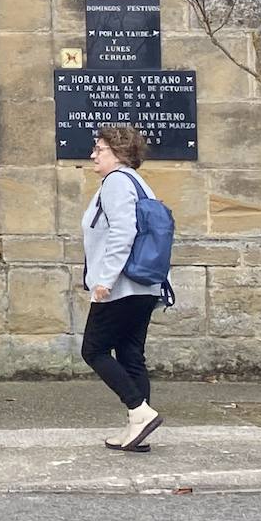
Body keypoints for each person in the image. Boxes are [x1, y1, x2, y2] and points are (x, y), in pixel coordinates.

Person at [81, 124, 165, 453]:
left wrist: (105, 280)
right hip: (144, 285)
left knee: (94, 350)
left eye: (99, 149)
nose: (93, 155)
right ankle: (137, 430)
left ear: (118, 152)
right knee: (131, 355)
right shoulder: (137, 182)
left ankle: (139, 411)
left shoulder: (116, 182)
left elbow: (122, 233)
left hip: (121, 285)